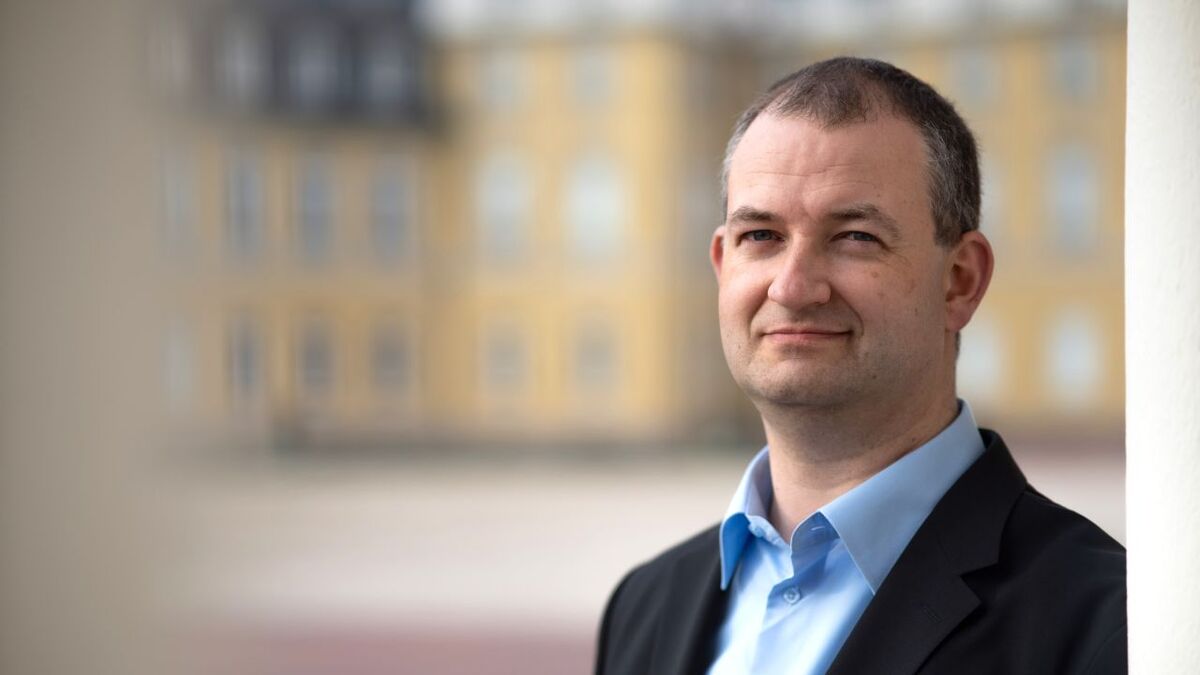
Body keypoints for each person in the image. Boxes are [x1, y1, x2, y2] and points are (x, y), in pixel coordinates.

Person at [593, 57, 1126, 675]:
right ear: (722, 264)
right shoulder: (643, 607)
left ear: (959, 280)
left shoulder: (1112, 628)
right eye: (760, 236)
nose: (792, 287)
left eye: (854, 237)